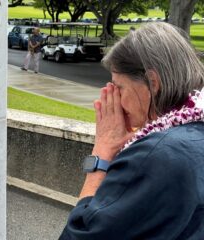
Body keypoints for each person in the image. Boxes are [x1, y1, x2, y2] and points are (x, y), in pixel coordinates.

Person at [59, 22, 204, 239]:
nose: (114, 98)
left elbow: (78, 235)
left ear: (153, 82)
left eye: (119, 87)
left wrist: (102, 153)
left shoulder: (157, 155)